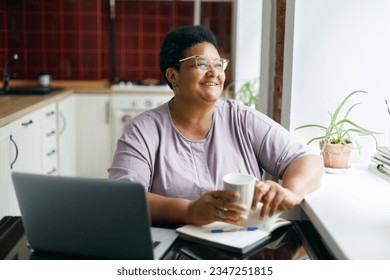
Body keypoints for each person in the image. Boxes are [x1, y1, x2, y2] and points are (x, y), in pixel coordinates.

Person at [108, 25, 324, 226]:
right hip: (173, 252)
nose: (214, 73)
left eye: (218, 64)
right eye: (201, 64)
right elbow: (122, 199)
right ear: (173, 75)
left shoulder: (242, 119)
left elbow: (306, 159)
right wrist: (189, 211)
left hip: (241, 247)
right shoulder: (143, 131)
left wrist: (292, 191)